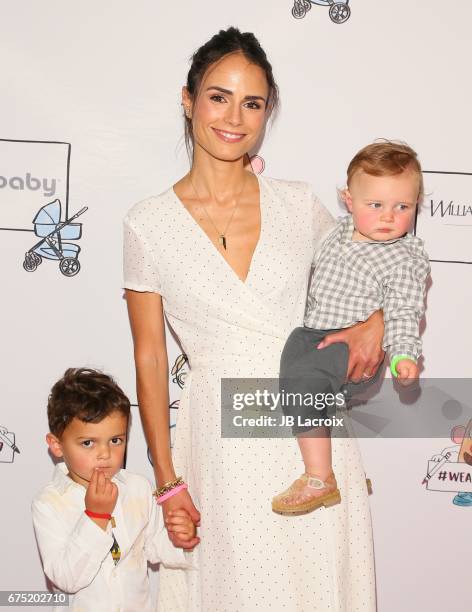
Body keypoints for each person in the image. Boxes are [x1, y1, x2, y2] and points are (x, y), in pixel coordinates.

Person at [123, 27, 383, 612]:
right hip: (218, 441)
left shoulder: (299, 205)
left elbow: (368, 276)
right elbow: (151, 358)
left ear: (268, 113)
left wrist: (377, 321)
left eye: (253, 102)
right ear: (188, 100)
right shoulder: (148, 224)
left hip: (310, 438)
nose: (234, 117)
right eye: (219, 96)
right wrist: (168, 481)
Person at [272, 141, 431, 515]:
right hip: (314, 333)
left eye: (402, 207)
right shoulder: (336, 232)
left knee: (304, 384)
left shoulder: (404, 256)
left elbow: (405, 309)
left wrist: (405, 354)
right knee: (296, 382)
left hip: (351, 345)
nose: (388, 217)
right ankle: (346, 469)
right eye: (375, 205)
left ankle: (319, 477)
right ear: (348, 200)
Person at [32, 368, 195, 612]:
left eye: (115, 440)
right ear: (57, 445)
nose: (105, 454)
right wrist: (95, 518)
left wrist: (182, 538)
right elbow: (65, 579)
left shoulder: (138, 488)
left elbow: (157, 549)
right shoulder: (49, 503)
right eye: (88, 443)